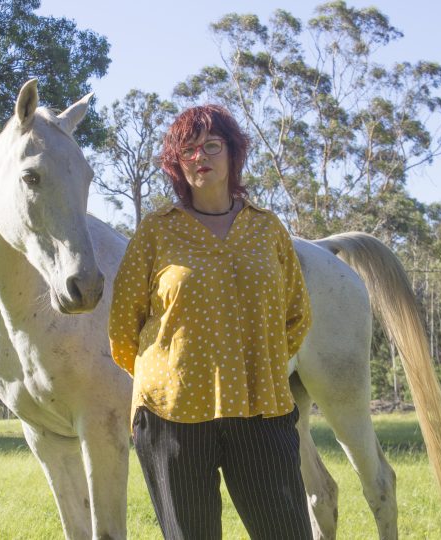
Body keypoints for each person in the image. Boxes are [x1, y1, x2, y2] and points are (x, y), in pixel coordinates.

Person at [108, 104, 313, 540]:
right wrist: (168, 375)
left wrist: (256, 362)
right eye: (188, 150)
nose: (200, 157)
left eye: (212, 146)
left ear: (233, 152)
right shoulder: (156, 232)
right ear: (176, 164)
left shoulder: (267, 229)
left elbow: (296, 315)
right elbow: (124, 327)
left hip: (261, 409)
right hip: (173, 416)